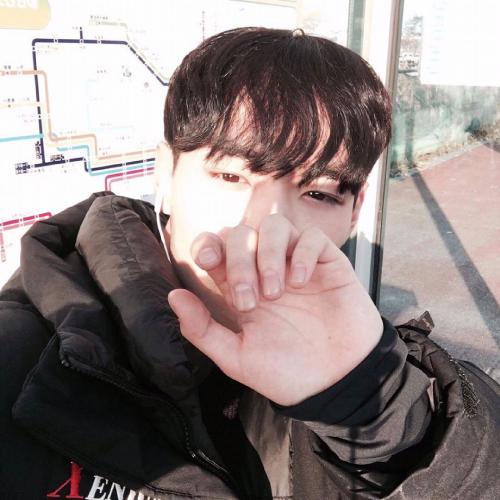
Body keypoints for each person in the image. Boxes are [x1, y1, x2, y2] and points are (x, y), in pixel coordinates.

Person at [1, 27, 498, 500]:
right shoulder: (25, 364)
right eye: (231, 177)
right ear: (165, 172)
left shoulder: (358, 347)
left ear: (355, 212)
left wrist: (377, 410)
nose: (266, 226)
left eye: (318, 193)